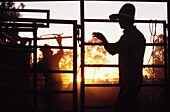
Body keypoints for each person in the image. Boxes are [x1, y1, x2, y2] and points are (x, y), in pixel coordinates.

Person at [92, 3, 146, 112]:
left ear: (126, 20)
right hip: (131, 81)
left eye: (120, 19)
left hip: (129, 82)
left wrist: (103, 40)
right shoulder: (134, 36)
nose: (119, 22)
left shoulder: (129, 37)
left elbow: (114, 50)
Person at [35, 36, 63, 111]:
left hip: (52, 84)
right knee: (54, 104)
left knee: (51, 103)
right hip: (54, 83)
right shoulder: (52, 59)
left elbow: (34, 68)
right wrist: (59, 43)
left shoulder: (44, 62)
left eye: (44, 51)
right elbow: (61, 52)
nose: (44, 53)